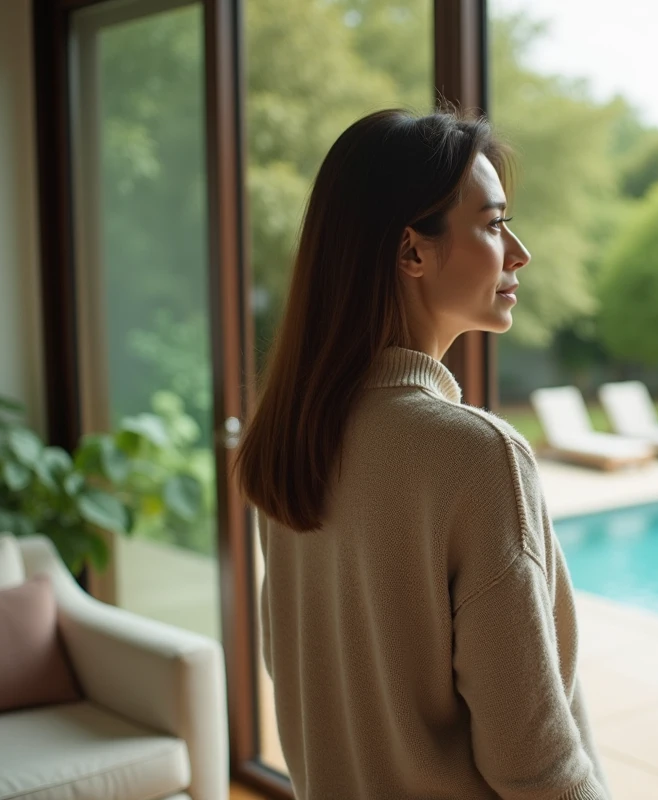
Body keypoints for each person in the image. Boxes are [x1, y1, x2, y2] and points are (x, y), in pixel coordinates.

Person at [235, 109, 609, 799]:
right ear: (413, 252)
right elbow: (534, 767)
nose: (518, 251)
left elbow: (295, 673)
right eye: (494, 225)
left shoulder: (291, 435)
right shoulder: (474, 457)